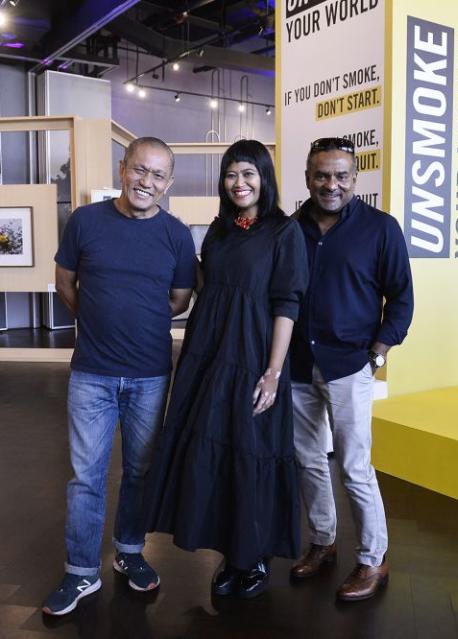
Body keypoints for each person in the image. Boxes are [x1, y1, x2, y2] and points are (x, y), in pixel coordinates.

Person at [145, 139, 308, 599]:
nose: (240, 183)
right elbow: (207, 283)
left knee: (250, 449)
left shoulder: (283, 232)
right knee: (215, 449)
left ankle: (252, 556)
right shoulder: (219, 229)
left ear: (264, 179)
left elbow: (287, 304)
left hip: (254, 354)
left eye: (249, 174)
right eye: (232, 175)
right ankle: (228, 552)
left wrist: (274, 371)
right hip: (209, 350)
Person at [42, 137, 196, 616]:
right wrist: (94, 319)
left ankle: (130, 552)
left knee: (140, 472)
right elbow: (66, 284)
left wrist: (138, 322)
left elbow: (179, 300)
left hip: (151, 375)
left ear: (168, 183)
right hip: (92, 374)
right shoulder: (86, 221)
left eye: (157, 175)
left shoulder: (176, 234)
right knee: (85, 477)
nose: (145, 182)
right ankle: (81, 571)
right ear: (123, 167)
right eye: (139, 170)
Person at [289, 136, 414, 602]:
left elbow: (401, 298)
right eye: (322, 175)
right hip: (298, 363)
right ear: (307, 178)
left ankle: (373, 558)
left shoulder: (381, 228)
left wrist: (377, 354)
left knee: (355, 467)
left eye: (341, 175)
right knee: (307, 462)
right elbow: (245, 230)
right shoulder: (290, 227)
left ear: (355, 179)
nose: (331, 184)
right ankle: (323, 541)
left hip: (349, 367)